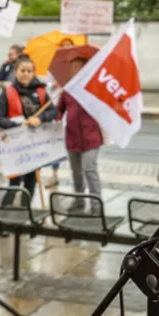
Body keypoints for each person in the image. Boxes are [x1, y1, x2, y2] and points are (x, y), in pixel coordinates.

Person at [0, 57, 58, 219]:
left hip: (35, 145)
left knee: (31, 181)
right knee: (14, 182)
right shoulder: (7, 92)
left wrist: (40, 119)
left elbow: (53, 112)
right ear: (16, 72)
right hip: (15, 146)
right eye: (22, 70)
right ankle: (3, 218)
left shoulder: (42, 91)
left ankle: (24, 213)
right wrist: (18, 125)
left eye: (29, 71)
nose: (26, 74)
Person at [55, 56, 104, 212]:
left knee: (90, 170)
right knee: (76, 173)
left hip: (91, 138)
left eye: (79, 66)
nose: (75, 70)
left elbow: (104, 107)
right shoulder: (67, 90)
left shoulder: (94, 87)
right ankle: (79, 201)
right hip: (72, 138)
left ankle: (96, 204)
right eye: (73, 66)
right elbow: (59, 110)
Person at [43, 37, 77, 188]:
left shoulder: (77, 66)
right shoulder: (53, 66)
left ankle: (77, 175)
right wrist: (54, 85)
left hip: (72, 109)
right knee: (55, 141)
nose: (66, 49)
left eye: (69, 47)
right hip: (57, 107)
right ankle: (54, 173)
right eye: (63, 46)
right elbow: (47, 86)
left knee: (73, 144)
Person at [0, 44, 25, 165]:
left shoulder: (21, 66)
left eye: (11, 54)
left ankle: (11, 154)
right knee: (2, 128)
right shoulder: (9, 66)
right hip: (6, 99)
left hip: (15, 101)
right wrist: (4, 65)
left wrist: (11, 85)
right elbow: (0, 77)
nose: (9, 56)